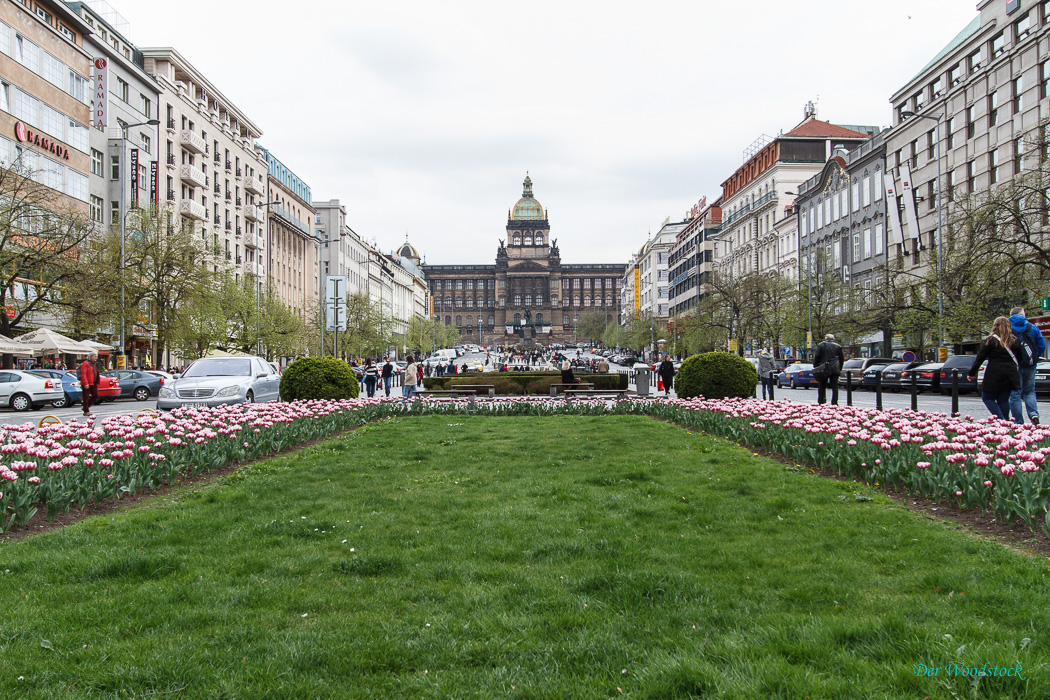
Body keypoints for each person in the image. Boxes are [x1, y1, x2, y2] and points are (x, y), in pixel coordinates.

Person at [969, 316, 1021, 420]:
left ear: (995, 326)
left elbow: (980, 357)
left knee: (987, 397)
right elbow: (1020, 358)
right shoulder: (1015, 341)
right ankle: (1005, 422)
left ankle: (1001, 420)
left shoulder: (991, 340)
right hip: (1010, 374)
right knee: (1003, 400)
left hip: (994, 374)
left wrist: (972, 372)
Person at [1009, 307, 1045, 425]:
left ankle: (1018, 422)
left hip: (1014, 366)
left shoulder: (1007, 328)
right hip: (1030, 365)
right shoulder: (1032, 327)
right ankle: (1033, 414)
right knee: (1029, 391)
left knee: (1015, 394)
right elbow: (1042, 345)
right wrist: (1034, 357)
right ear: (1022, 314)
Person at [813, 333, 845, 405]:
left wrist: (815, 366)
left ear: (825, 339)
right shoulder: (838, 346)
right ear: (833, 339)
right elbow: (841, 359)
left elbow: (817, 357)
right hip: (834, 369)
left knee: (822, 386)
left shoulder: (821, 345)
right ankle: (834, 403)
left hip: (824, 368)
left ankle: (821, 401)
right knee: (835, 387)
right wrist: (839, 368)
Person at [78, 351, 100, 417]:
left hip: (93, 382)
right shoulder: (86, 363)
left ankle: (86, 406)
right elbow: (83, 373)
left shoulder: (94, 364)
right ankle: (86, 410)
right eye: (95, 356)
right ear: (91, 356)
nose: (96, 358)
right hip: (87, 382)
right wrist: (85, 383)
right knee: (86, 397)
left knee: (95, 395)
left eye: (96, 356)